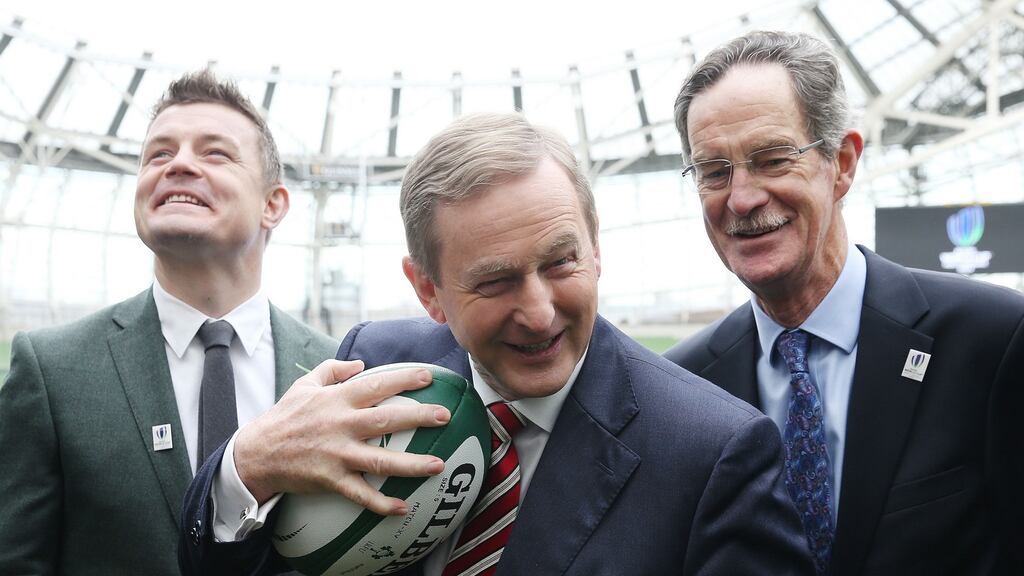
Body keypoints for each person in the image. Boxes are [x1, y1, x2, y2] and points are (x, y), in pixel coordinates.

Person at [178, 112, 815, 575]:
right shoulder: (374, 365)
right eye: (496, 281)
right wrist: (248, 467)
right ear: (427, 290)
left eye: (562, 262)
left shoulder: (714, 453)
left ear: (595, 246)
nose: (538, 314)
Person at [665, 30, 1024, 576]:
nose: (741, 198)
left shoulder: (994, 341)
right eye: (714, 171)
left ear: (844, 163)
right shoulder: (685, 389)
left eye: (772, 158)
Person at [0, 70, 338, 576]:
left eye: (215, 153)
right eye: (158, 154)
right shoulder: (51, 371)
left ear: (273, 205)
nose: (178, 163)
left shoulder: (336, 371)